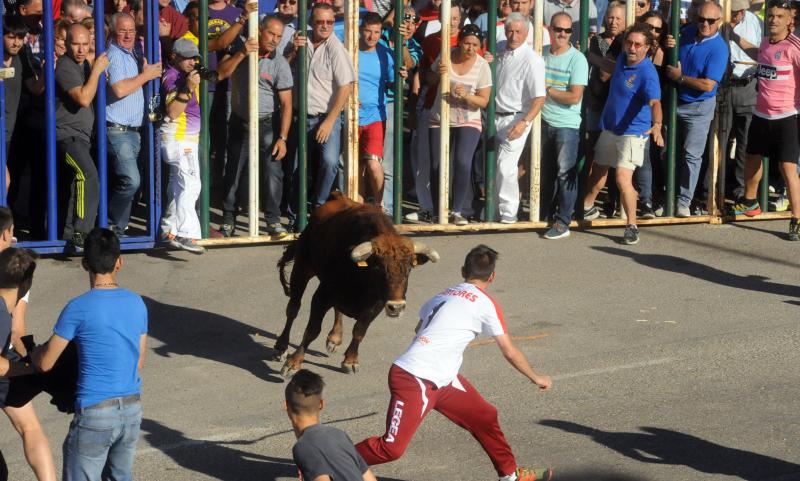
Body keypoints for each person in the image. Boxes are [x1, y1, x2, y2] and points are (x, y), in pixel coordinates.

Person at [355, 245, 553, 481]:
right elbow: (509, 351)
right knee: (391, 448)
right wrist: (536, 377)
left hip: (443, 378)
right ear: (492, 276)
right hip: (415, 378)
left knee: (484, 417)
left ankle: (511, 476)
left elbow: (419, 329)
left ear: (462, 271)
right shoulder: (486, 303)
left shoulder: (442, 295)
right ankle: (326, 462)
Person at [32, 227, 148, 481]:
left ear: (85, 264)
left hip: (94, 411)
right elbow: (138, 362)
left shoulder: (77, 308)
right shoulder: (137, 303)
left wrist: (33, 353)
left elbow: (46, 362)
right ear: (120, 262)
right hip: (130, 409)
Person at [583, 22, 664, 245]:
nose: (632, 47)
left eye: (638, 44)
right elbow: (606, 64)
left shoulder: (647, 73)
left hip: (633, 133)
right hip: (610, 128)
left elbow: (655, 102)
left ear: (647, 47)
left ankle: (631, 225)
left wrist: (657, 124)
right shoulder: (621, 60)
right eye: (629, 42)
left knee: (622, 178)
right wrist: (586, 53)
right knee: (598, 174)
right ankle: (586, 209)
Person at [217, 16, 293, 239]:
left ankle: (272, 221)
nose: (275, 40)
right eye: (271, 34)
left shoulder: (279, 62)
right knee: (233, 171)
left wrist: (283, 138)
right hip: (240, 122)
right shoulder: (242, 46)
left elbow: (287, 104)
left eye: (279, 36)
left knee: (272, 173)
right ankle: (228, 219)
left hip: (267, 124)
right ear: (260, 31)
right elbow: (221, 73)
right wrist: (242, 53)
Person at [733, 0, 800, 241]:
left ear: (789, 20)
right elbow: (757, 52)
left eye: (779, 16)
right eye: (771, 15)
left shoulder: (794, 46)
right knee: (752, 157)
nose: (773, 20)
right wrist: (732, 35)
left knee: (787, 168)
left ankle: (797, 219)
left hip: (786, 116)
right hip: (761, 114)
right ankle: (751, 203)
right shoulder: (764, 42)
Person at [0, 211, 56, 481]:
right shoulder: (19, 266)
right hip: (4, 357)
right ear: (5, 234)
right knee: (30, 427)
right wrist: (28, 366)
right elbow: (16, 329)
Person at [664, 1, 728, 217]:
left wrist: (680, 78)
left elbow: (708, 84)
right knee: (667, 151)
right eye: (701, 19)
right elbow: (671, 48)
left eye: (711, 21)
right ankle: (667, 195)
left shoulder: (719, 48)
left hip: (699, 106)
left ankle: (684, 201)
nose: (705, 24)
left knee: (692, 155)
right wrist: (669, 42)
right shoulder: (687, 31)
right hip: (674, 101)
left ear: (719, 22)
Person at [291, 3, 355, 217]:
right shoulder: (301, 39)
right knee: (297, 167)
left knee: (329, 162)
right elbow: (283, 64)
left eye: (330, 22)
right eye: (320, 22)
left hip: (327, 116)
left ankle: (318, 206)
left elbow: (346, 86)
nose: (325, 26)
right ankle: (294, 212)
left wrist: (329, 121)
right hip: (300, 115)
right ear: (311, 22)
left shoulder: (336, 48)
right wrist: (293, 50)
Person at [406, 3, 464, 223]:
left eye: (456, 18)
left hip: (460, 109)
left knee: (453, 161)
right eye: (448, 16)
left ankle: (452, 209)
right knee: (425, 161)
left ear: (461, 19)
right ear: (440, 17)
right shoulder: (430, 42)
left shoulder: (468, 41)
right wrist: (436, 73)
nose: (451, 21)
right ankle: (426, 207)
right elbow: (424, 78)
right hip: (431, 105)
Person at [428, 23, 492, 225]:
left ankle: (458, 210)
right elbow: (428, 79)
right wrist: (438, 72)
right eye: (467, 43)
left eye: (475, 45)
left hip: (468, 118)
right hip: (440, 116)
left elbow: (484, 101)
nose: (470, 49)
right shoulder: (446, 56)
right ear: (460, 42)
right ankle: (440, 210)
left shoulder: (482, 66)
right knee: (437, 165)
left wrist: (467, 96)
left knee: (462, 161)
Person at [106, 12, 162, 237]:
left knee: (131, 184)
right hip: (118, 130)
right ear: (112, 31)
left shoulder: (133, 54)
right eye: (122, 30)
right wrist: (146, 76)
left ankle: (117, 231)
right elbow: (119, 89)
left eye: (132, 30)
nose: (128, 35)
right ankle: (111, 226)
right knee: (131, 181)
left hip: (133, 131)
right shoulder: (115, 55)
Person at [55, 24, 109, 250]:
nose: (80, 49)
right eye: (75, 44)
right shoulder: (65, 67)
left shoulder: (85, 64)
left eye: (85, 44)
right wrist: (96, 71)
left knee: (75, 184)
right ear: (66, 44)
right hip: (67, 136)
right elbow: (84, 99)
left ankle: (70, 234)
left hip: (82, 137)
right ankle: (82, 233)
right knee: (89, 176)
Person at [493, 12, 546, 224]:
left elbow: (539, 97)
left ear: (526, 33)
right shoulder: (499, 51)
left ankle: (508, 213)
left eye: (518, 31)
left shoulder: (532, 60)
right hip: (493, 116)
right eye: (510, 31)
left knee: (506, 166)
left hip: (516, 118)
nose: (513, 35)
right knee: (495, 166)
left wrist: (524, 123)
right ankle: (495, 211)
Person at [540, 12, 588, 239]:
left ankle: (563, 222)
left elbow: (574, 97)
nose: (562, 34)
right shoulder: (541, 55)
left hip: (566, 125)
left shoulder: (577, 59)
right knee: (545, 173)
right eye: (558, 29)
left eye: (567, 30)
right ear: (550, 29)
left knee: (564, 173)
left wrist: (547, 90)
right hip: (542, 120)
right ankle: (545, 215)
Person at [285, 369, 379, 481]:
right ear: (321, 404)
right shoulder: (339, 435)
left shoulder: (304, 447)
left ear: (286, 406)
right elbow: (369, 478)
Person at [159, 38, 205, 254]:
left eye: (194, 57)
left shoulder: (182, 75)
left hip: (183, 140)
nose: (192, 61)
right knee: (191, 185)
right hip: (179, 139)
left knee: (180, 187)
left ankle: (170, 230)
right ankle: (186, 234)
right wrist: (188, 87)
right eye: (187, 57)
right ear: (174, 57)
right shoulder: (174, 77)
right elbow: (173, 112)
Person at [716, 0, 761, 201]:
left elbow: (762, 53)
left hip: (748, 84)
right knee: (719, 139)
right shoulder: (716, 21)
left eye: (740, 11)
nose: (737, 15)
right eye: (733, 11)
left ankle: (742, 190)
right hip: (723, 85)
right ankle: (714, 189)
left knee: (746, 142)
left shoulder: (755, 22)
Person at [357, 12, 395, 208]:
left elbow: (395, 82)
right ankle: (360, 208)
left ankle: (381, 207)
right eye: (368, 31)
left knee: (373, 164)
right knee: (356, 167)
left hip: (375, 116)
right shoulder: (350, 50)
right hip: (351, 116)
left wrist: (402, 72)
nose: (372, 36)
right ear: (360, 30)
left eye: (376, 32)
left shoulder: (386, 53)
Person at [3, 16, 27, 193]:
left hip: (8, 133)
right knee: (5, 181)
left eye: (20, 38)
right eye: (11, 37)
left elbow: (33, 87)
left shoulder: (19, 60)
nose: (16, 43)